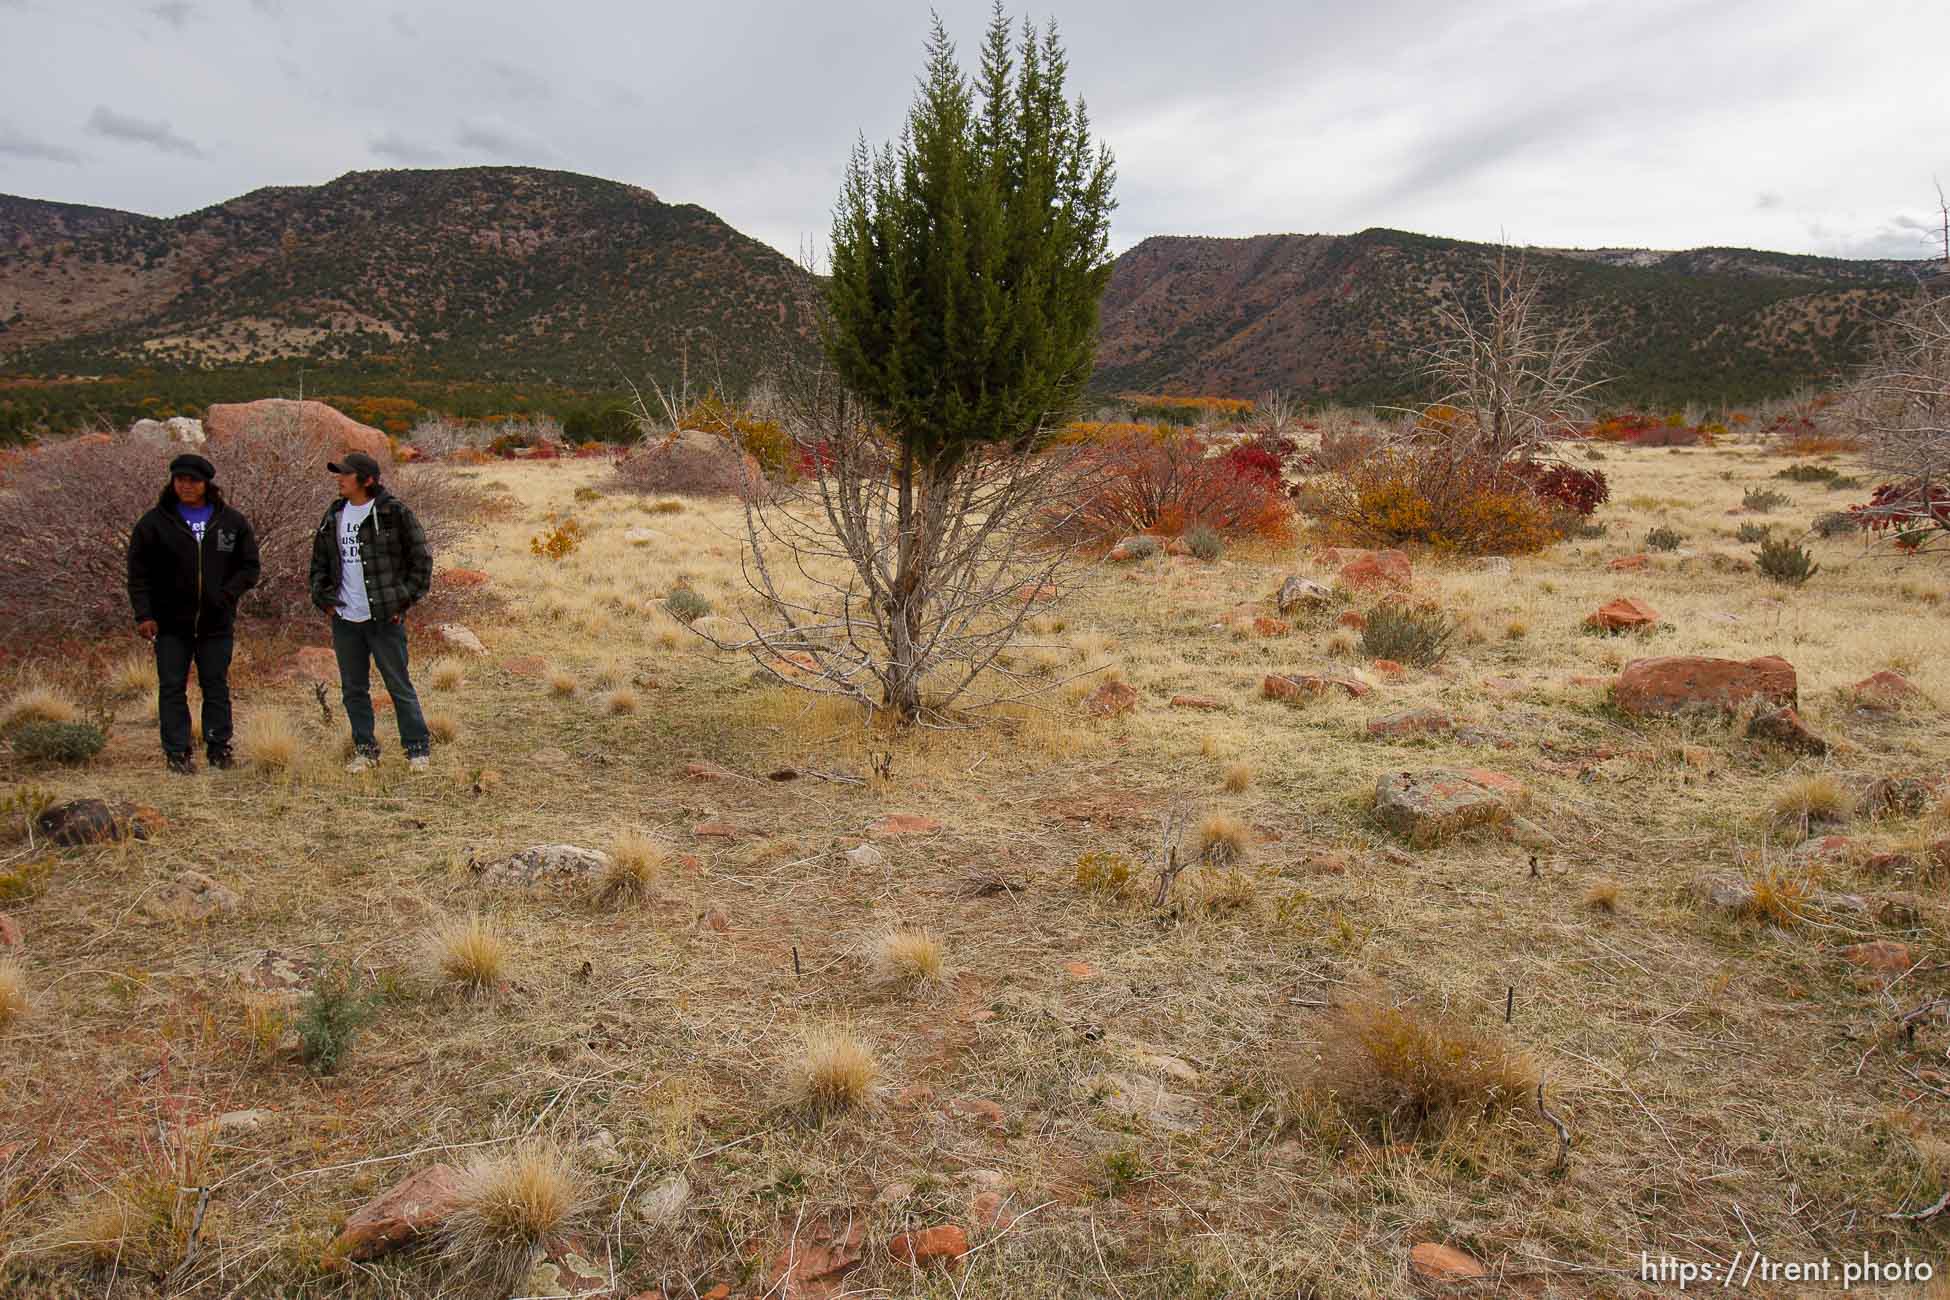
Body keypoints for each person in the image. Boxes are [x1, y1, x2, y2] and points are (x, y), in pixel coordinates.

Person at [126, 452, 261, 774]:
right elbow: (138, 574)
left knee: (215, 684)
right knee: (172, 686)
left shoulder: (231, 521)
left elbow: (250, 566)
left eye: (193, 480)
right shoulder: (154, 523)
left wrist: (227, 595)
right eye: (180, 479)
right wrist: (144, 614)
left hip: (216, 622)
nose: (186, 485)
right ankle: (177, 752)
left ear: (206, 484)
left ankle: (219, 748)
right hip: (171, 623)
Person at [307, 451, 434, 774]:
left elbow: (421, 561)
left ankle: (417, 749)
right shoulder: (334, 514)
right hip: (346, 620)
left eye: (345, 474)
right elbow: (319, 563)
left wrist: (399, 601)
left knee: (398, 684)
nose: (339, 478)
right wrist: (325, 599)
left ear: (367, 480)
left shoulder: (394, 513)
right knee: (353, 689)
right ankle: (365, 750)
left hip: (383, 619)